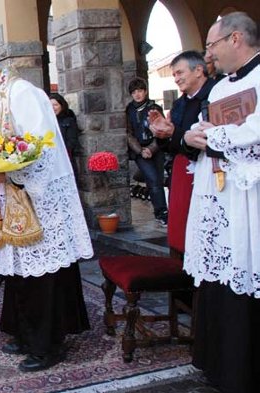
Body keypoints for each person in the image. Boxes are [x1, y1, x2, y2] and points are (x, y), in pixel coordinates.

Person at [0, 52, 93, 372]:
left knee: (42, 272)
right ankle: (26, 333)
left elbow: (42, 147)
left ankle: (48, 345)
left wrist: (10, 175)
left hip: (39, 199)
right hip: (7, 198)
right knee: (17, 271)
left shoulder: (23, 93)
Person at [183, 12, 260, 393]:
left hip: (250, 196)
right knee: (219, 274)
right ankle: (220, 365)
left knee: (246, 268)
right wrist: (191, 137)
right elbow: (202, 125)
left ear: (235, 39)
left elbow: (255, 132)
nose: (208, 54)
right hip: (219, 194)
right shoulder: (217, 88)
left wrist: (213, 136)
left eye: (211, 45)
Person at [148, 51, 215, 252]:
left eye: (179, 73)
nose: (176, 79)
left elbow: (203, 138)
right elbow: (174, 142)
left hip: (207, 168)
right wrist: (162, 136)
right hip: (181, 167)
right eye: (174, 75)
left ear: (198, 70)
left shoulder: (215, 95)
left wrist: (174, 132)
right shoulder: (179, 104)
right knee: (181, 224)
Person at [125, 77, 168, 227]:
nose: (137, 94)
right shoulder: (129, 110)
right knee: (153, 179)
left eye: (140, 91)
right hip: (139, 149)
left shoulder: (154, 107)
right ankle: (161, 212)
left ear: (145, 91)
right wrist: (140, 150)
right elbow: (128, 133)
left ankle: (161, 211)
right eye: (134, 92)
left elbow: (161, 129)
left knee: (157, 180)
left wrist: (151, 148)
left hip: (156, 147)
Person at [49, 93, 79, 159]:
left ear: (62, 106)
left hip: (64, 157)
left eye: (55, 105)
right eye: (50, 105)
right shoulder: (46, 120)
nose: (52, 108)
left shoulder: (69, 121)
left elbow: (71, 141)